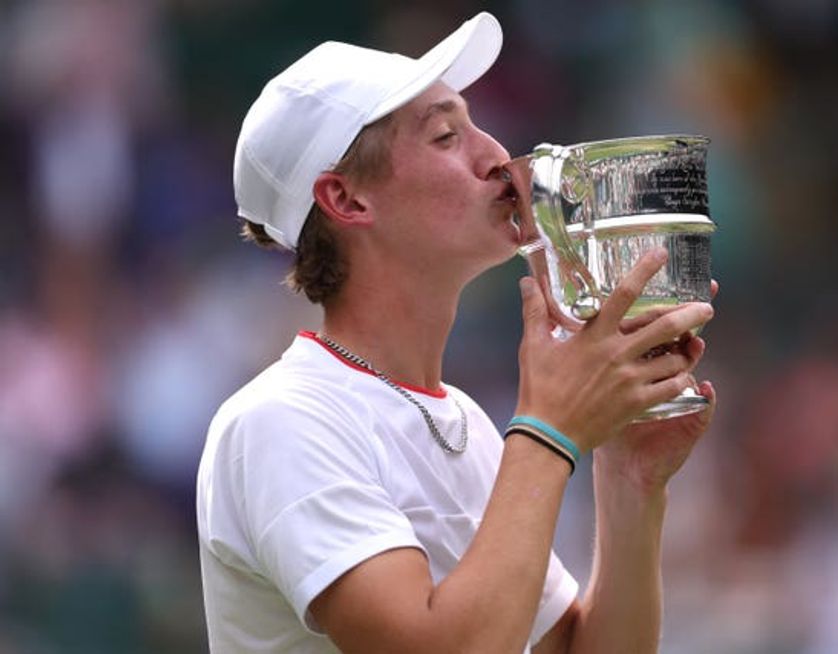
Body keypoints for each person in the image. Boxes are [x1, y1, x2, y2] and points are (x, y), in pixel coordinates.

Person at [196, 12, 717, 654]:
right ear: (347, 200)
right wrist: (551, 428)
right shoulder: (281, 421)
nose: (497, 154)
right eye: (446, 136)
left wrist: (629, 475)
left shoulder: (463, 421)